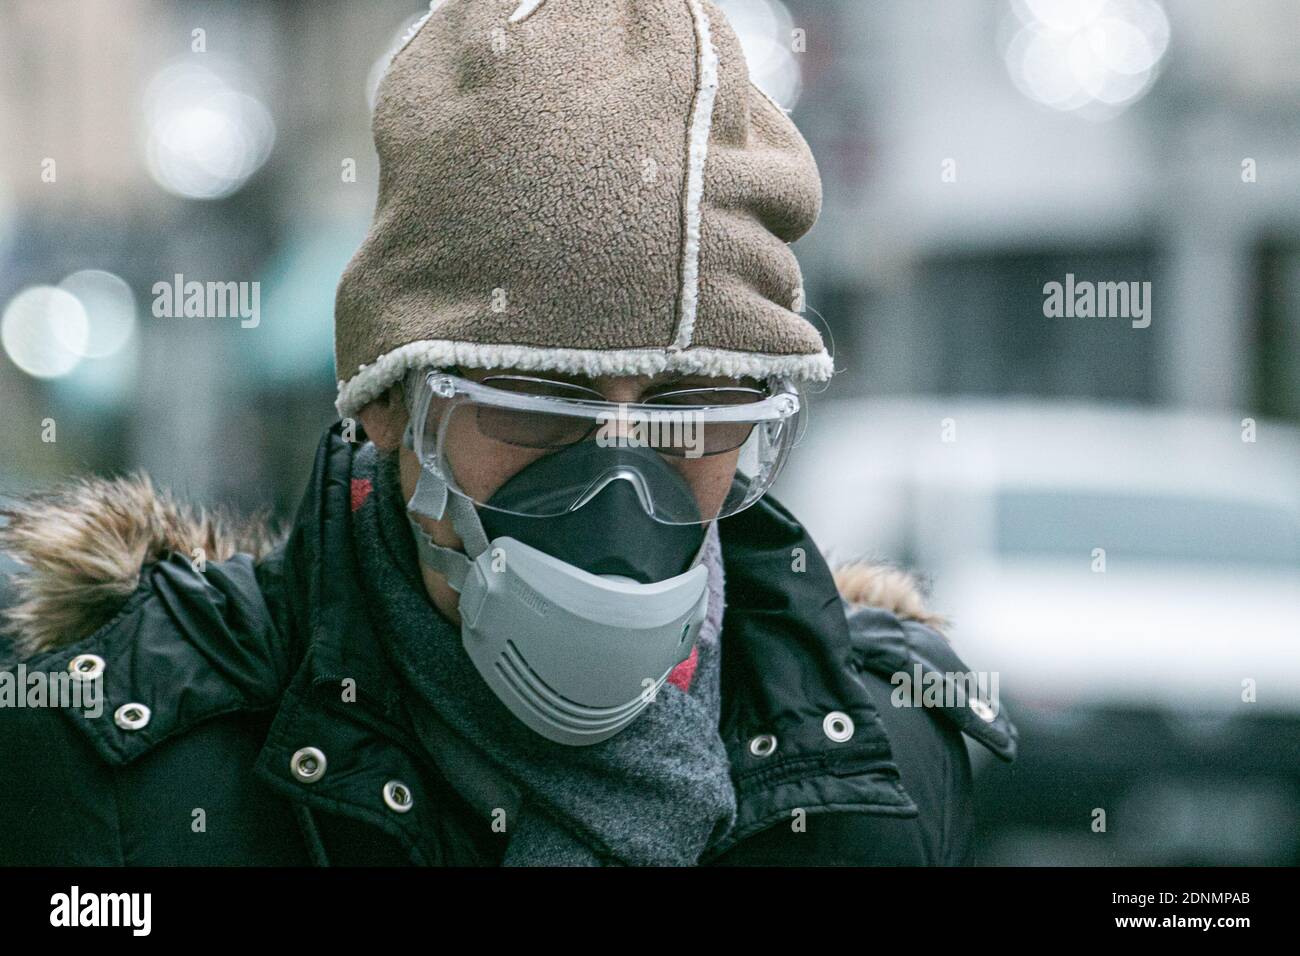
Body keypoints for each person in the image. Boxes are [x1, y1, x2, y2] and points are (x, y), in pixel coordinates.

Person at [0, 0, 1016, 866]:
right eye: (537, 403)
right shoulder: (109, 772)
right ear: (388, 407)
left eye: (691, 408)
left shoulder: (886, 766)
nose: (620, 491)